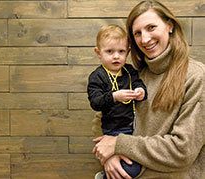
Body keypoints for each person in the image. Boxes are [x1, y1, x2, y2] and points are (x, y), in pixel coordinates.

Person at [92, 0, 205, 179]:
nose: (144, 39)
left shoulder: (196, 76)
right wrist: (110, 156)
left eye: (151, 27)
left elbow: (182, 151)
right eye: (137, 33)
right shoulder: (135, 76)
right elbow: (105, 116)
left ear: (170, 26)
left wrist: (119, 144)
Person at [87, 24, 147, 178]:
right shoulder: (97, 76)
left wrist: (141, 92)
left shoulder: (129, 71)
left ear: (127, 52)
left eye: (121, 52)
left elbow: (138, 83)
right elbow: (95, 102)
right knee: (129, 168)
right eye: (109, 51)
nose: (116, 56)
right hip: (112, 130)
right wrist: (114, 96)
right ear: (98, 52)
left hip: (134, 129)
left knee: (136, 165)